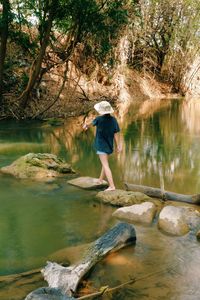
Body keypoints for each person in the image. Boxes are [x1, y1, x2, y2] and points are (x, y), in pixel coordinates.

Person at [83, 100, 122, 191]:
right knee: (104, 164)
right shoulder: (113, 120)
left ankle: (112, 186)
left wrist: (85, 125)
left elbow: (89, 125)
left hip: (101, 146)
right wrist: (118, 146)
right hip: (109, 145)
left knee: (105, 165)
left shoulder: (98, 119)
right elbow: (116, 133)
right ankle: (100, 180)